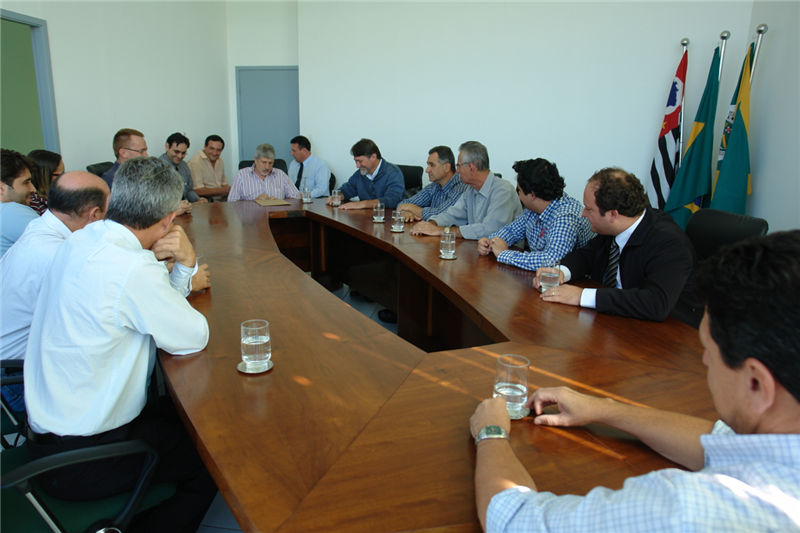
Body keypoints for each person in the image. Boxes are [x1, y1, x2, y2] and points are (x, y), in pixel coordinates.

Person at [470, 230, 800, 532]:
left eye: (709, 350)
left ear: (756, 383)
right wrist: (602, 409)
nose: (703, 359)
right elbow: (717, 442)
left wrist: (492, 432)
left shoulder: (692, 509)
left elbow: (515, 520)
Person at [24, 157, 217, 532]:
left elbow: (151, 308)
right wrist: (187, 261)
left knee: (174, 416)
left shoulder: (82, 239)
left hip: (48, 437)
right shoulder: (132, 269)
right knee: (211, 460)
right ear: (167, 221)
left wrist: (170, 274)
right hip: (85, 459)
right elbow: (192, 336)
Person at [0, 171, 109, 412]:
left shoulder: (41, 230)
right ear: (94, 214)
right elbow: (108, 305)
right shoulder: (57, 253)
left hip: (14, 366)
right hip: (17, 381)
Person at [533, 167, 695, 321]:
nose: (583, 214)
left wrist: (581, 296)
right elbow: (586, 256)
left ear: (612, 215)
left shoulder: (669, 243)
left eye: (589, 209)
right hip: (613, 320)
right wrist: (560, 272)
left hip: (664, 335)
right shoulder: (615, 227)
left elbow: (656, 303)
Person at [478, 158, 593, 271]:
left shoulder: (566, 216)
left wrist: (504, 254)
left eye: (519, 191)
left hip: (575, 282)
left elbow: (551, 261)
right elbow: (512, 231)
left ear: (532, 195)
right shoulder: (534, 209)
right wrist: (490, 242)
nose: (518, 195)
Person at [411, 141, 521, 240]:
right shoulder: (470, 189)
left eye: (458, 166)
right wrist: (430, 225)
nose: (457, 171)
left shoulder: (503, 190)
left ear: (471, 168)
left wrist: (441, 231)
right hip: (479, 249)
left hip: (507, 255)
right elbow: (452, 215)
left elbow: (490, 230)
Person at [326, 138, 404, 209]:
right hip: (366, 219)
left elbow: (393, 200)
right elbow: (346, 190)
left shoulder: (393, 173)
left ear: (373, 157)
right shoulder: (360, 174)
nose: (357, 166)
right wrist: (336, 197)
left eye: (360, 161)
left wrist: (362, 204)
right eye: (355, 161)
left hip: (389, 220)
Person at [398, 145, 469, 222]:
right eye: (428, 165)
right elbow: (403, 204)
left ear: (447, 167)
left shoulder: (461, 187)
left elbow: (443, 215)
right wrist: (406, 212)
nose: (427, 170)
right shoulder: (434, 186)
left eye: (432, 165)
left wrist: (411, 208)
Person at [0, 149, 38, 258]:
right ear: (1, 188)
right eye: (26, 183)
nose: (33, 189)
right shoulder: (9, 211)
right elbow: (64, 245)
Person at [228, 143, 299, 201]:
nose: (267, 167)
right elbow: (232, 202)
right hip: (251, 217)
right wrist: (255, 202)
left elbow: (296, 197)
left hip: (277, 215)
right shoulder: (241, 175)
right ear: (255, 159)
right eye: (264, 162)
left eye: (270, 163)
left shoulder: (281, 174)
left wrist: (280, 202)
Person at [159, 132, 207, 215]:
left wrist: (198, 200)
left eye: (183, 153)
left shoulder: (184, 165)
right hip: (167, 215)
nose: (180, 156)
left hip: (186, 212)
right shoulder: (157, 168)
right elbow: (158, 201)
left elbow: (189, 190)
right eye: (176, 152)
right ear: (167, 147)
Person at [188, 134, 230, 199]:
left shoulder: (220, 160)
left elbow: (224, 184)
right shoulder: (196, 162)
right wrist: (222, 190)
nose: (214, 153)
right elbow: (197, 190)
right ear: (205, 147)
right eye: (211, 148)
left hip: (222, 199)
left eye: (218, 150)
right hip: (205, 201)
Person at [27, 149, 65, 215]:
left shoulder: (56, 195)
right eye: (58, 175)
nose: (64, 178)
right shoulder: (34, 204)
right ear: (42, 176)